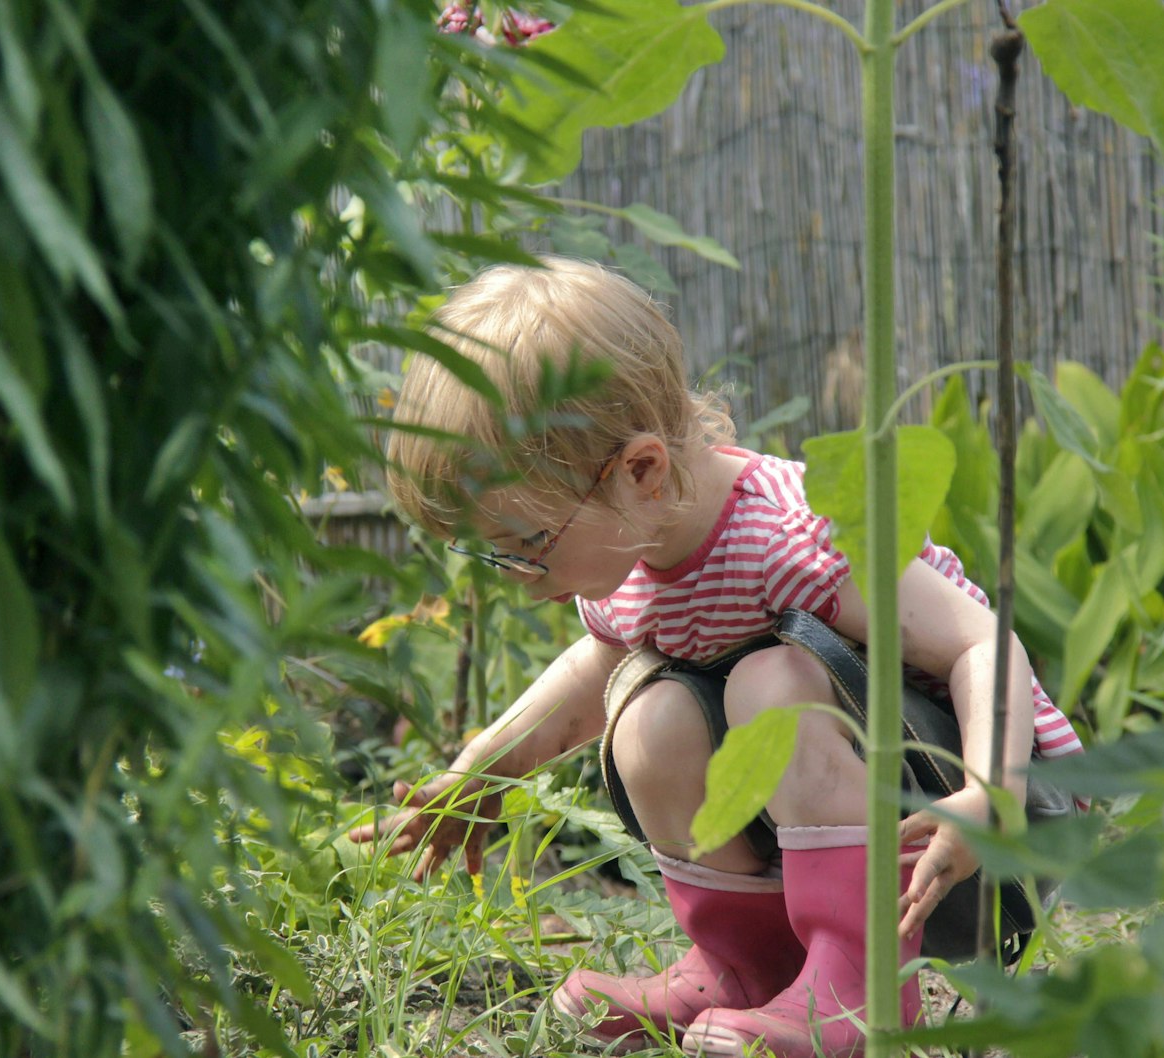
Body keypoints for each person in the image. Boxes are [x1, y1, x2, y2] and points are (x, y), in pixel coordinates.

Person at [348, 256, 1083, 1057]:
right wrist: (483, 768)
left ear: (641, 470)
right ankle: (747, 974)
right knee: (650, 717)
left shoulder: (789, 540)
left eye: (527, 544)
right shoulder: (630, 550)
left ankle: (861, 987)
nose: (518, 578)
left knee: (771, 682)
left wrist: (987, 794)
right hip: (874, 829)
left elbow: (982, 641)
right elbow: (590, 676)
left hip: (985, 837)